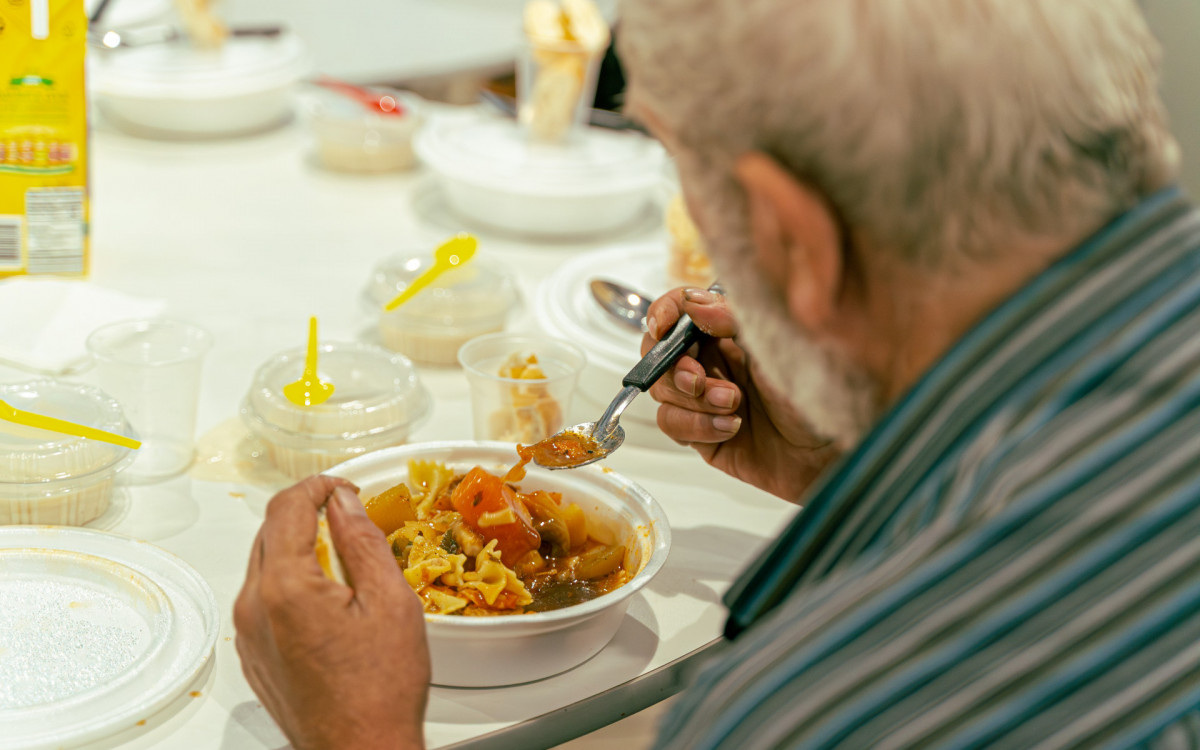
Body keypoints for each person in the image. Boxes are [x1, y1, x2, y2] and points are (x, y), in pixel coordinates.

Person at [235, 0, 1200, 747]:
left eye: (679, 163)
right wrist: (857, 460)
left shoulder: (814, 714)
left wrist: (354, 735)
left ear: (792, 242)